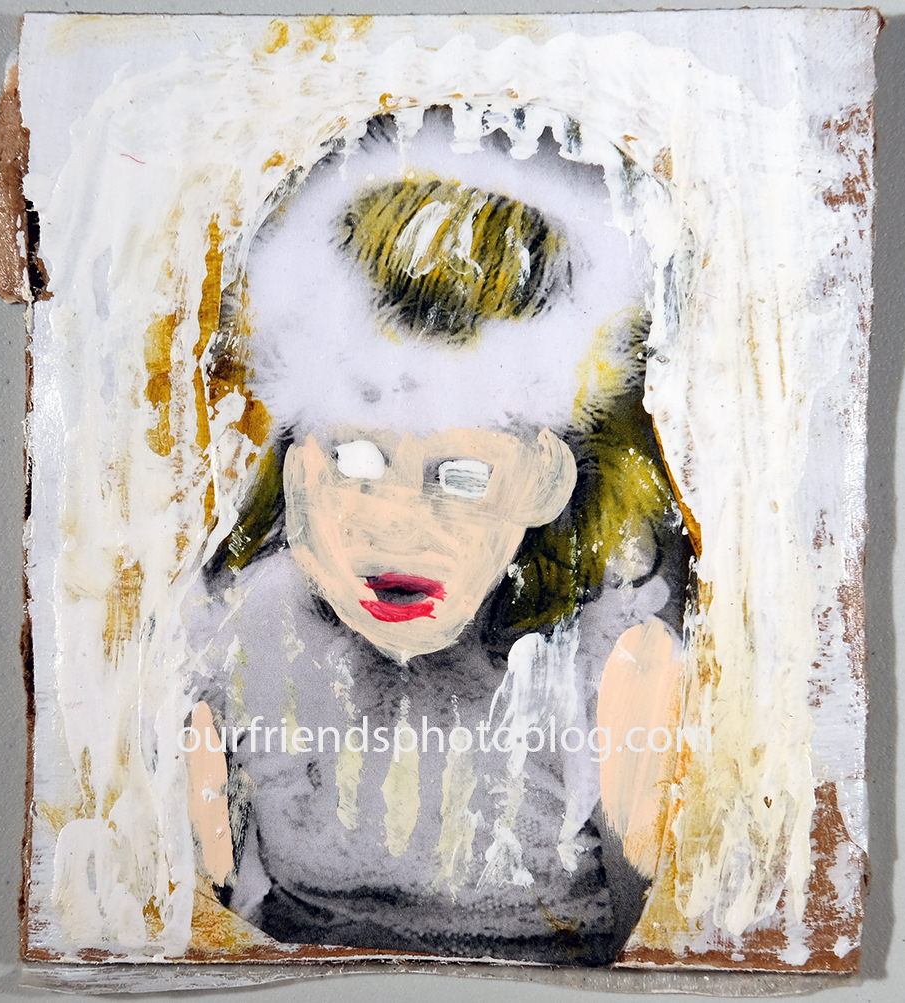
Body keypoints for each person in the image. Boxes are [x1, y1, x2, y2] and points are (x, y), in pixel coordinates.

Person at [185, 109, 690, 966]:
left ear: (541, 480)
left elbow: (662, 942)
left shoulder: (617, 659)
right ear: (299, 470)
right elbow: (201, 916)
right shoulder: (232, 640)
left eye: (459, 476)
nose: (396, 525)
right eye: (355, 459)